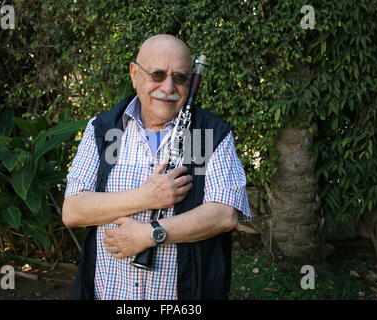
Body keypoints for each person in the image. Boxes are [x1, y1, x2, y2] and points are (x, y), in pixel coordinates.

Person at [62, 34, 251, 300]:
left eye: (180, 78)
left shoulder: (209, 133)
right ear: (134, 74)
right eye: (157, 74)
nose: (168, 87)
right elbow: (73, 210)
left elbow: (224, 214)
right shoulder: (103, 129)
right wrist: (147, 196)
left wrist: (151, 235)